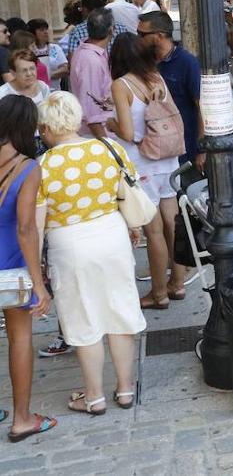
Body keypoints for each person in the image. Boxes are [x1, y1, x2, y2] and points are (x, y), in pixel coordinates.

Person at [36, 92, 146, 415]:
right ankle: (125, 389)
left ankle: (94, 396)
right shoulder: (108, 148)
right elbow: (128, 191)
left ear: (47, 127)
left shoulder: (43, 166)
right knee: (119, 311)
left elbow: (38, 223)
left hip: (68, 244)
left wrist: (38, 265)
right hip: (111, 234)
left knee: (83, 316)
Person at [106, 33, 184, 308]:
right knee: (172, 225)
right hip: (168, 159)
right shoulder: (156, 77)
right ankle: (178, 283)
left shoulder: (121, 84)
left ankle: (159, 293)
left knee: (153, 231)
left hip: (143, 162)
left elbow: (127, 133)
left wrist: (112, 123)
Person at [0, 96, 56, 442]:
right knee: (19, 337)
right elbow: (26, 228)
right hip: (10, 261)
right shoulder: (28, 168)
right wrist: (39, 284)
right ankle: (22, 418)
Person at [138, 12, 203, 170]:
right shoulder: (143, 61)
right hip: (152, 150)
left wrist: (202, 150)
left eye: (142, 34)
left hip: (183, 150)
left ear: (159, 36)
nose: (138, 39)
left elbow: (201, 106)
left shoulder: (187, 63)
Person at [70, 9, 114, 139]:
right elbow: (91, 110)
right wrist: (107, 145)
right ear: (111, 29)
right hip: (98, 134)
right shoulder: (90, 60)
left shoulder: (92, 52)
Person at [27, 19, 68, 85]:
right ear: (33, 33)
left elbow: (65, 68)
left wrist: (47, 75)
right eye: (41, 30)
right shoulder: (29, 50)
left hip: (54, 90)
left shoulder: (55, 48)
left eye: (46, 29)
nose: (46, 32)